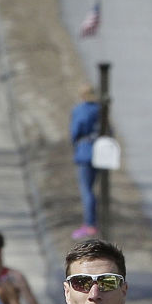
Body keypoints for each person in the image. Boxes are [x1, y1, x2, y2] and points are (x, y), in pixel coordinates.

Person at [69, 86, 102, 239]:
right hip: (101, 151)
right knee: (96, 188)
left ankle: (89, 224)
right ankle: (95, 221)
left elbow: (76, 130)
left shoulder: (81, 110)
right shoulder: (100, 110)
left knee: (86, 189)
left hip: (85, 151)